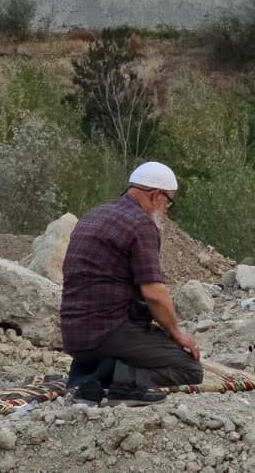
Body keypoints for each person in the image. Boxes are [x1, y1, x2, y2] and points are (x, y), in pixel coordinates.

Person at [58, 161, 203, 405]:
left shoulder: (95, 214)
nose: (166, 209)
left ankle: (87, 377)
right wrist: (177, 334)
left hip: (74, 336)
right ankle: (121, 384)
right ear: (156, 195)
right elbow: (155, 293)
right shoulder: (140, 224)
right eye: (168, 201)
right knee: (190, 369)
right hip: (107, 331)